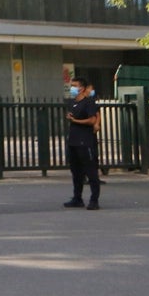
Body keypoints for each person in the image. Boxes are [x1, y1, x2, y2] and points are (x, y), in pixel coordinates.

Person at [64, 75, 100, 210]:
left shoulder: (89, 102)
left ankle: (94, 199)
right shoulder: (72, 103)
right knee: (76, 172)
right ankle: (77, 198)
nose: (72, 88)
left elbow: (92, 120)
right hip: (73, 141)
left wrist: (76, 121)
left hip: (85, 141)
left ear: (82, 88)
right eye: (71, 85)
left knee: (90, 171)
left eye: (75, 86)